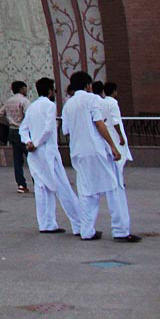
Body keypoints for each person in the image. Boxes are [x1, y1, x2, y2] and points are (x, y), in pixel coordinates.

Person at [62, 71, 139, 242]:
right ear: (88, 85)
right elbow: (99, 123)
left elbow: (65, 130)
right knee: (114, 188)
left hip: (78, 152)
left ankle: (87, 231)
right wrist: (113, 146)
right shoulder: (91, 99)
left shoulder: (68, 105)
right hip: (96, 150)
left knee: (87, 191)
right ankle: (120, 230)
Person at [20, 77, 82, 235]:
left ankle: (47, 223)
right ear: (49, 91)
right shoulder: (50, 105)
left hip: (35, 154)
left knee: (42, 188)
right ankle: (79, 223)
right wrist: (36, 143)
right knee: (62, 186)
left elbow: (23, 129)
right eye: (53, 90)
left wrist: (29, 142)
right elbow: (48, 129)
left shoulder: (32, 107)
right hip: (47, 151)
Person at [0, 82, 30, 191]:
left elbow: (0, 114)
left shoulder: (9, 101)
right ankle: (37, 182)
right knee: (31, 158)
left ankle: (21, 184)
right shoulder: (24, 101)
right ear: (22, 89)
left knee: (17, 159)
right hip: (22, 130)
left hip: (12, 131)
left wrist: (9, 122)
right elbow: (28, 115)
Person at [101, 83, 132, 179]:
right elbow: (116, 121)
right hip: (115, 133)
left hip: (108, 132)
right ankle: (118, 179)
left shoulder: (102, 102)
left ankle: (114, 178)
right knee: (120, 156)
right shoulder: (113, 103)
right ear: (114, 91)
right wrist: (121, 136)